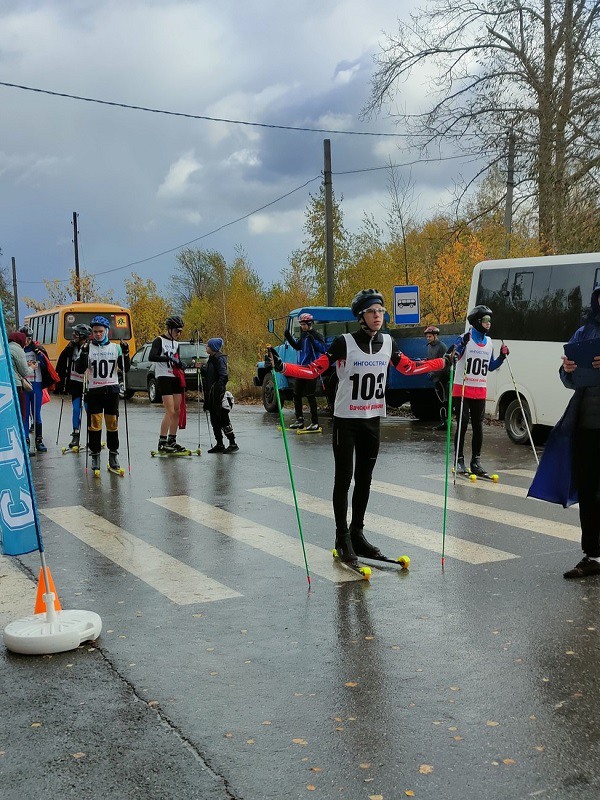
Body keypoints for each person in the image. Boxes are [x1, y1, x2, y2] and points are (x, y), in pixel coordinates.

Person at [269, 289, 450, 566]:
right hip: (346, 421)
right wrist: (283, 366)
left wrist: (444, 362)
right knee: (344, 479)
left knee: (365, 480)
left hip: (372, 420)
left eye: (380, 311)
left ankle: (357, 534)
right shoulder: (344, 342)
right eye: (372, 311)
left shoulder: (389, 342)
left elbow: (410, 368)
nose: (378, 315)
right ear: (361, 317)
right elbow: (314, 370)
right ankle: (342, 537)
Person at [529, 284, 600, 579]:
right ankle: (592, 555)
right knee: (589, 491)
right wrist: (568, 370)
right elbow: (566, 379)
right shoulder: (584, 332)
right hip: (586, 424)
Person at [449, 306, 508, 476]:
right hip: (462, 388)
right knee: (463, 423)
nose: (488, 324)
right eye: (485, 320)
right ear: (476, 322)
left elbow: (490, 366)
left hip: (479, 390)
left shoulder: (489, 342)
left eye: (490, 320)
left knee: (478, 427)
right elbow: (455, 357)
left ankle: (476, 461)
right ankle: (459, 460)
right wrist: (458, 348)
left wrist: (502, 358)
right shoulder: (465, 338)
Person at [75, 315, 130, 473]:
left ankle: (113, 455)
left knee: (112, 423)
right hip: (94, 390)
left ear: (106, 331)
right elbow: (79, 369)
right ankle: (95, 455)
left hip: (111, 389)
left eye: (100, 331)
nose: (98, 334)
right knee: (95, 424)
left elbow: (125, 368)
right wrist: (84, 354)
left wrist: (125, 353)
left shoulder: (115, 347)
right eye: (95, 332)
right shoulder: (88, 347)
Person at [148, 316, 189, 453]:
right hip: (164, 376)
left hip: (175, 376)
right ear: (169, 329)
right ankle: (162, 441)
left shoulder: (177, 344)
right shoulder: (159, 340)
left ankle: (172, 440)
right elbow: (152, 356)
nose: (179, 334)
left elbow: (177, 359)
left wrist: (181, 363)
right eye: (177, 331)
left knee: (177, 410)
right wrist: (167, 358)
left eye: (180, 331)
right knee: (170, 410)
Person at [284, 312, 327, 431]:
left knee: (310, 395)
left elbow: (323, 349)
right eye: (301, 324)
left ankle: (315, 422)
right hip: (302, 368)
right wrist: (288, 337)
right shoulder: (303, 335)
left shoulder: (316, 335)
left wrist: (313, 340)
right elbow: (298, 347)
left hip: (312, 369)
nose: (302, 327)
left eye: (304, 324)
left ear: (309, 324)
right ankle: (299, 420)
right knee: (296, 394)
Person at [21, 325, 58, 452]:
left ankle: (39, 440)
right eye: (24, 338)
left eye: (28, 338)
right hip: (24, 384)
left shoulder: (37, 350)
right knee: (25, 414)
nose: (26, 341)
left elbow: (45, 365)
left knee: (36, 414)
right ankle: (25, 439)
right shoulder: (19, 350)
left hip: (36, 383)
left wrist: (38, 357)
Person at [56, 323, 92, 450]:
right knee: (76, 409)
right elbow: (61, 361)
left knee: (89, 410)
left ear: (83, 335)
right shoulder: (72, 346)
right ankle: (75, 435)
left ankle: (92, 436)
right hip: (75, 382)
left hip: (87, 383)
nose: (73, 335)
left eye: (76, 333)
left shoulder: (90, 347)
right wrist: (61, 381)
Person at [201, 337, 238, 453]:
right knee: (214, 419)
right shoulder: (211, 359)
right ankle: (220, 443)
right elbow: (208, 374)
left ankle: (232, 443)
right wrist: (202, 369)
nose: (206, 347)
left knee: (223, 419)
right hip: (211, 395)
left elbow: (224, 376)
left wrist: (217, 388)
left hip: (218, 394)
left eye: (207, 346)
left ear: (213, 348)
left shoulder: (219, 359)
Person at [424, 325, 449, 431]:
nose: (428, 338)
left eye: (430, 336)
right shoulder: (429, 346)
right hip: (435, 378)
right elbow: (430, 361)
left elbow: (445, 365)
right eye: (427, 336)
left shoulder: (441, 347)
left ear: (435, 336)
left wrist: (434, 374)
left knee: (444, 401)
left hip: (443, 378)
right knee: (439, 401)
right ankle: (443, 422)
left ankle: (446, 423)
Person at [8, 331, 30, 428]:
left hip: (6, 384)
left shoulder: (6, 347)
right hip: (16, 385)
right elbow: (24, 372)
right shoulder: (18, 349)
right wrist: (32, 368)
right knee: (20, 413)